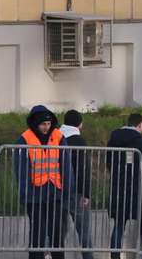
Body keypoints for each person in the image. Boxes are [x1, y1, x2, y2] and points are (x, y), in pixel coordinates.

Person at [14, 105, 68, 259]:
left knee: (57, 233)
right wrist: (25, 194)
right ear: (35, 123)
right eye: (43, 124)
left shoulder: (59, 136)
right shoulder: (24, 139)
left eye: (49, 124)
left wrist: (67, 190)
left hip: (55, 191)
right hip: (34, 194)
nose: (46, 127)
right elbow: (21, 170)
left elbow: (65, 165)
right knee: (37, 232)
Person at [106, 113, 142, 253]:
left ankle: (115, 253)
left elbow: (109, 162)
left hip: (118, 186)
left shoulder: (114, 138)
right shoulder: (141, 141)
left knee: (119, 222)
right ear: (140, 125)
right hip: (137, 186)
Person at [59, 110, 96, 259]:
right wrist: (86, 193)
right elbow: (83, 169)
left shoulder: (56, 138)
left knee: (58, 232)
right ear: (80, 124)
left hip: (57, 190)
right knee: (84, 232)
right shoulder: (79, 141)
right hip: (76, 193)